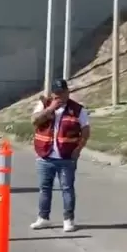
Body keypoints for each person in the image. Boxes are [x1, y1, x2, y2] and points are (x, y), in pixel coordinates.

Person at [30, 79, 91, 233]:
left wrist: (79, 148)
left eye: (62, 93)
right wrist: (50, 108)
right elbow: (34, 121)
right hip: (45, 155)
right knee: (45, 188)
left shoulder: (77, 110)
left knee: (67, 188)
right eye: (56, 94)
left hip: (66, 157)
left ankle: (68, 219)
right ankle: (43, 218)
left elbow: (85, 131)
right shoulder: (44, 105)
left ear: (67, 92)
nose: (59, 97)